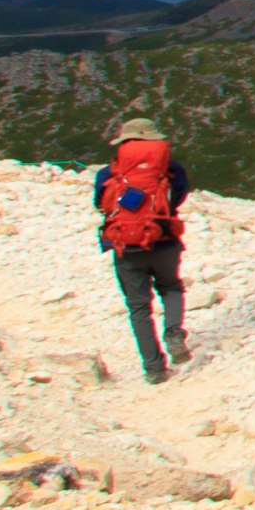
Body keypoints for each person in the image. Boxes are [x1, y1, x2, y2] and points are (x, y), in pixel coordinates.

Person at [92, 113, 194, 386]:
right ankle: (173, 331)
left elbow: (100, 204)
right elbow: (179, 198)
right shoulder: (172, 171)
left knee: (138, 308)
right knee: (171, 287)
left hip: (127, 249)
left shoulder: (108, 173)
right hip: (164, 241)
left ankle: (154, 369)